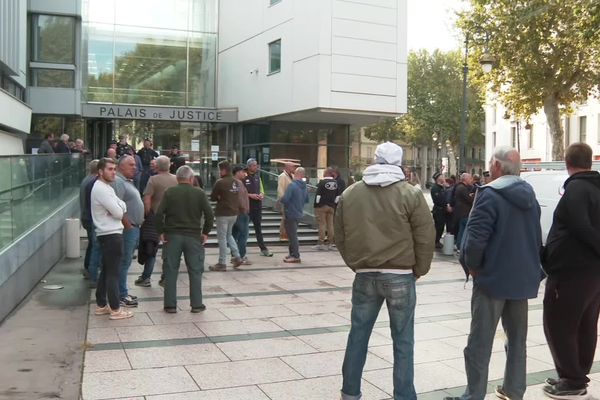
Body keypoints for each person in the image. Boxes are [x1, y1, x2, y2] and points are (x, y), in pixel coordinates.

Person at [334, 142, 435, 400]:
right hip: (401, 275)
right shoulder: (410, 194)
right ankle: (403, 395)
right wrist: (419, 269)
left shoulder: (350, 194)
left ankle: (350, 392)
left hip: (364, 274)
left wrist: (355, 262)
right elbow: (425, 235)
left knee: (358, 334)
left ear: (375, 160)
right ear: (399, 163)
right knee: (403, 341)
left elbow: (340, 235)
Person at [445, 146, 543, 400]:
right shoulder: (530, 195)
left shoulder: (489, 194)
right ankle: (514, 390)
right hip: (521, 280)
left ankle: (474, 395)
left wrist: (472, 267)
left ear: (497, 166)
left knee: (480, 342)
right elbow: (535, 237)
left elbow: (475, 240)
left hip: (492, 279)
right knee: (517, 341)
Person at [541, 143, 600, 399]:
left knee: (558, 323)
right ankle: (575, 374)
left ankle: (572, 379)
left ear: (567, 162)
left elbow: (580, 227)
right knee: (586, 324)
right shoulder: (595, 187)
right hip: (592, 273)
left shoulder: (576, 189)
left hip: (571, 271)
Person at [155, 165, 214, 313]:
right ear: (191, 178)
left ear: (177, 178)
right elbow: (210, 215)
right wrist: (205, 232)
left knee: (170, 270)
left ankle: (170, 305)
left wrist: (160, 231)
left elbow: (158, 213)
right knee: (195, 271)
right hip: (194, 236)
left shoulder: (170, 192)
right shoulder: (199, 193)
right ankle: (196, 305)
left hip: (172, 236)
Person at [90, 158, 132, 320]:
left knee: (107, 271)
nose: (113, 172)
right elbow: (119, 213)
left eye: (115, 169)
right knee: (113, 273)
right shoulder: (101, 189)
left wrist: (118, 207)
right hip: (111, 234)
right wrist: (118, 208)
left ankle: (101, 304)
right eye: (110, 169)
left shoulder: (106, 187)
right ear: (100, 171)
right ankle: (115, 309)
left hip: (108, 234)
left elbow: (121, 205)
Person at [135, 156, 177, 287]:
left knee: (151, 247)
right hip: (171, 217)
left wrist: (147, 214)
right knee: (169, 249)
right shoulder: (176, 179)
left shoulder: (153, 180)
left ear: (157, 167)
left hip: (155, 217)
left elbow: (147, 199)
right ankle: (166, 277)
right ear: (169, 166)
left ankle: (146, 277)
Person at [112, 155, 144, 307]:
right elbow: (117, 205)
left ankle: (122, 292)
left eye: (135, 164)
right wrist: (128, 225)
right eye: (131, 165)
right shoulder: (118, 181)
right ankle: (121, 294)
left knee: (125, 262)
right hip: (128, 228)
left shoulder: (127, 182)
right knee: (123, 262)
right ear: (121, 166)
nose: (135, 167)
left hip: (133, 227)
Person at [209, 160, 242, 271]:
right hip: (234, 213)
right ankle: (237, 257)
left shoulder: (220, 182)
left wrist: (219, 197)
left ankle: (222, 262)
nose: (218, 172)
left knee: (222, 238)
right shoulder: (236, 182)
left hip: (223, 213)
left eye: (219, 170)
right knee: (229, 235)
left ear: (223, 170)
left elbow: (212, 197)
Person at [244, 158, 273, 257]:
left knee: (258, 229)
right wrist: (250, 195)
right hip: (247, 207)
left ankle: (263, 249)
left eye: (256, 165)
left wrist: (261, 194)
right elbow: (241, 192)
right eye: (255, 165)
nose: (257, 167)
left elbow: (262, 190)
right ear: (249, 166)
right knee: (243, 229)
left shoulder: (257, 177)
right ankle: (240, 251)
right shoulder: (243, 177)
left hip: (257, 207)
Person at [280, 167, 308, 263]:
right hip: (299, 212)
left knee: (292, 236)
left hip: (290, 213)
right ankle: (291, 253)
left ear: (295, 174)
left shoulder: (292, 185)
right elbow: (307, 200)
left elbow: (285, 199)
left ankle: (295, 256)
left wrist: (281, 199)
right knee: (292, 234)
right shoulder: (305, 186)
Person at [80, 160, 101, 285]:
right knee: (94, 245)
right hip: (90, 218)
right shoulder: (92, 182)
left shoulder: (86, 180)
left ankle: (88, 268)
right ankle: (90, 269)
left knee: (92, 245)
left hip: (86, 217)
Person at [312, 167, 340, 251]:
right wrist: (334, 203)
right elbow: (338, 196)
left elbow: (318, 196)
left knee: (322, 224)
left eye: (324, 172)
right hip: (331, 206)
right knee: (330, 225)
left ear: (327, 173)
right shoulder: (336, 183)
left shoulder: (322, 182)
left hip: (322, 206)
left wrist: (316, 205)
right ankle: (331, 243)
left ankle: (321, 243)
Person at [232, 165, 251, 265]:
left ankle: (235, 256)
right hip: (241, 213)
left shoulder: (235, 182)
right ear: (238, 172)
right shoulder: (238, 183)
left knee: (235, 234)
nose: (245, 174)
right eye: (243, 172)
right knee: (243, 234)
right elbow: (239, 199)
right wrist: (244, 209)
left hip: (236, 213)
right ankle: (241, 256)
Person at [453, 172, 474, 250]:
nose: (471, 180)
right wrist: (472, 196)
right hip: (464, 213)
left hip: (461, 213)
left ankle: (459, 245)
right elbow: (469, 199)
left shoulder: (460, 187)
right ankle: (460, 246)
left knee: (461, 230)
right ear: (465, 179)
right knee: (464, 231)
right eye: (470, 178)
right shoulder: (462, 188)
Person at [277, 162, 296, 240]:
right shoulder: (282, 176)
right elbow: (280, 188)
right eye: (292, 167)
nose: (294, 168)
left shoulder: (293, 176)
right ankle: (283, 234)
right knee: (285, 217)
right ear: (287, 167)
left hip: (293, 200)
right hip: (286, 200)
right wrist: (282, 199)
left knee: (290, 218)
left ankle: (288, 233)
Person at [430, 172, 447, 249]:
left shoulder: (441, 187)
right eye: (442, 176)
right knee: (438, 226)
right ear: (438, 179)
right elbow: (439, 200)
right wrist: (446, 205)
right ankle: (435, 241)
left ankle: (437, 241)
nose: (444, 178)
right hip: (438, 210)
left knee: (441, 227)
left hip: (442, 210)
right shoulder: (435, 188)